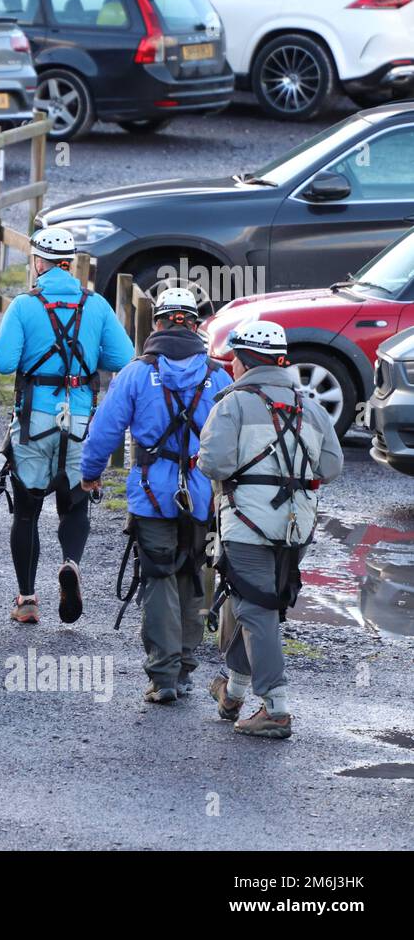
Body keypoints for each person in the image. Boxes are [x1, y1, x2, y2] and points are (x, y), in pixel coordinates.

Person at [80, 288, 232, 702]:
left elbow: (105, 430)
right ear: (195, 325)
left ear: (158, 323)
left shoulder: (135, 373)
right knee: (193, 573)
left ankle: (163, 676)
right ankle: (183, 667)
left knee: (158, 576)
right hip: (201, 492)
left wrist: (90, 474)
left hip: (152, 492)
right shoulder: (218, 376)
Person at [198, 319, 343, 739]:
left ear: (243, 361)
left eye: (233, 361)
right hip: (297, 526)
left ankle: (276, 708)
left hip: (246, 523)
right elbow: (331, 467)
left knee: (255, 608)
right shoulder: (310, 406)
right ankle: (234, 691)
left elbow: (214, 463)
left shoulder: (232, 404)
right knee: (259, 603)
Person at [0, 226, 134, 624]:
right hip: (81, 417)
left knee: (27, 512)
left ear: (39, 262)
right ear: (70, 264)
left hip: (35, 416)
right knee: (74, 505)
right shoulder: (96, 305)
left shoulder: (23, 305)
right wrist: (86, 359)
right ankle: (70, 562)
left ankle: (27, 600)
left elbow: (2, 363)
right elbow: (124, 356)